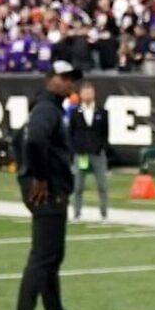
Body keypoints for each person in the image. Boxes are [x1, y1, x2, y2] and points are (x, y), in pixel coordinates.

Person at [7, 61, 89, 310]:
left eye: (72, 79)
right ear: (49, 80)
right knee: (43, 256)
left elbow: (22, 140)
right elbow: (33, 142)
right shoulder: (46, 109)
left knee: (51, 256)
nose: (69, 83)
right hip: (47, 189)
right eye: (64, 78)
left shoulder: (49, 108)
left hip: (49, 186)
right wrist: (39, 177)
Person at [68, 81, 111, 222]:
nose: (87, 95)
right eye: (85, 92)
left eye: (90, 92)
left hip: (97, 153)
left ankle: (104, 213)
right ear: (80, 95)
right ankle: (77, 213)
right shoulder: (75, 112)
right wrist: (76, 149)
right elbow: (71, 132)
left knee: (102, 185)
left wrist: (101, 147)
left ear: (94, 94)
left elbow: (105, 133)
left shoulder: (101, 112)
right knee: (78, 185)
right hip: (81, 154)